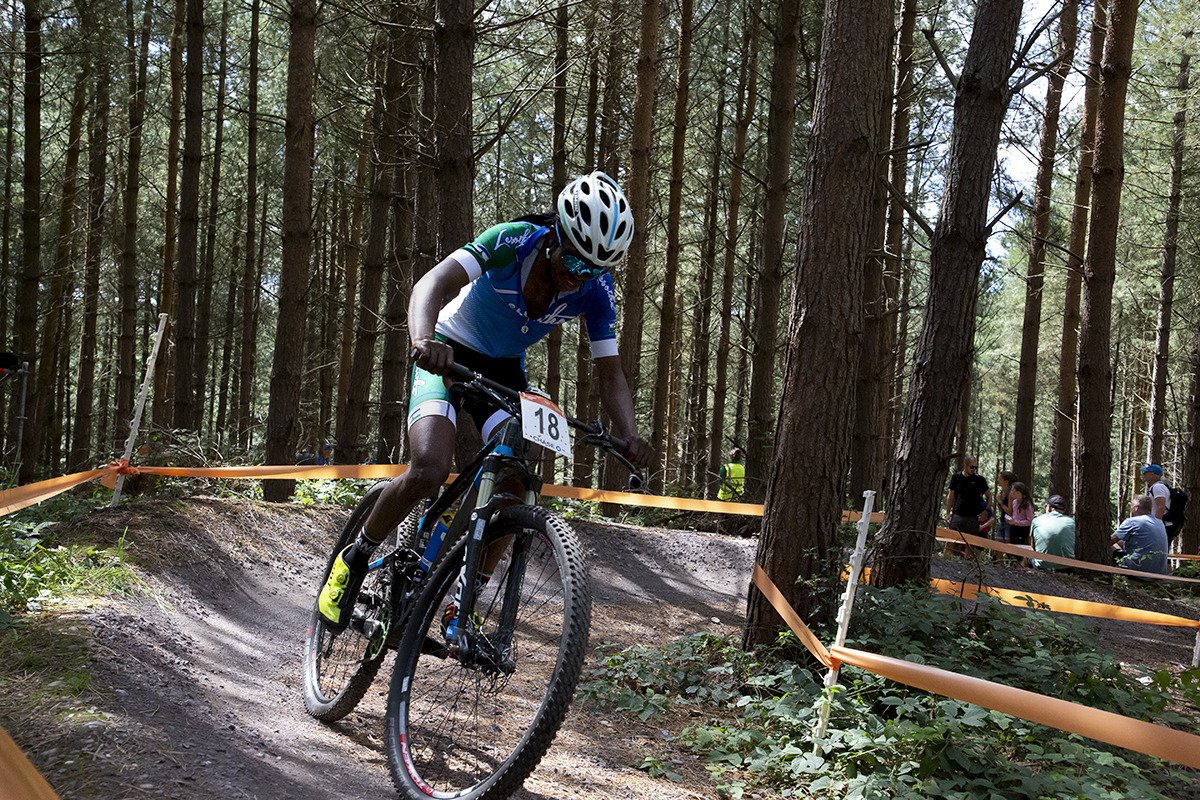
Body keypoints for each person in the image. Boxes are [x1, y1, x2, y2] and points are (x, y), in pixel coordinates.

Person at [317, 172, 654, 631]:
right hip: (448, 349)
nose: (580, 280)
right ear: (556, 235)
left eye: (595, 271)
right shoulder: (513, 241)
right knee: (430, 468)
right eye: (576, 265)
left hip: (503, 369)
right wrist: (423, 340)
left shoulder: (595, 290)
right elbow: (431, 284)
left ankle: (465, 599)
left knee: (521, 467)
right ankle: (353, 561)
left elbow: (611, 373)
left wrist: (629, 434)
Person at [1111, 494, 1170, 578]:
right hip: (1159, 572)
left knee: (1112, 546)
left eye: (1131, 506)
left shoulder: (1132, 521)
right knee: (1120, 543)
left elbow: (1110, 540)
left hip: (1138, 570)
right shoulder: (1159, 522)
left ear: (1136, 508)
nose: (1130, 510)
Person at [944, 455, 992, 537]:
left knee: (970, 544)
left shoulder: (980, 480)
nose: (974, 470)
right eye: (972, 467)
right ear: (965, 465)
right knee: (950, 541)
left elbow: (989, 496)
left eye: (976, 467)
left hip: (973, 517)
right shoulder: (956, 477)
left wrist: (987, 510)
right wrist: (948, 513)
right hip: (957, 514)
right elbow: (951, 496)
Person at [1028, 494, 1075, 571]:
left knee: (1026, 557)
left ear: (1048, 507)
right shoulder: (1072, 522)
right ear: (1064, 510)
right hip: (1067, 566)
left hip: (1042, 565)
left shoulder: (1036, 520)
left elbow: (1033, 547)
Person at [1140, 463, 1174, 537]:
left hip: (1162, 526)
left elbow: (1161, 507)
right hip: (1162, 525)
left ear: (1152, 474)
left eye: (1146, 472)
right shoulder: (1157, 487)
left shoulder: (1158, 487)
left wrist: (1155, 526)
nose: (1144, 475)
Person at [1006, 481, 1035, 556]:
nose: (1011, 492)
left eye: (1012, 490)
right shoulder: (1014, 502)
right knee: (1012, 550)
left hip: (1022, 530)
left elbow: (1030, 521)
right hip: (1013, 529)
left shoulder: (1027, 504)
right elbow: (1016, 516)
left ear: (1018, 493)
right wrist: (1010, 520)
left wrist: (1016, 522)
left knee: (1020, 552)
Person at [996, 470, 1018, 542]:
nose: (998, 480)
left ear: (1006, 482)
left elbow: (1010, 512)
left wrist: (1000, 502)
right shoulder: (1002, 492)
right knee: (997, 545)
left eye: (1000, 479)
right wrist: (999, 502)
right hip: (1002, 521)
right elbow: (1002, 510)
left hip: (1010, 524)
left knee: (1008, 546)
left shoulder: (1011, 494)